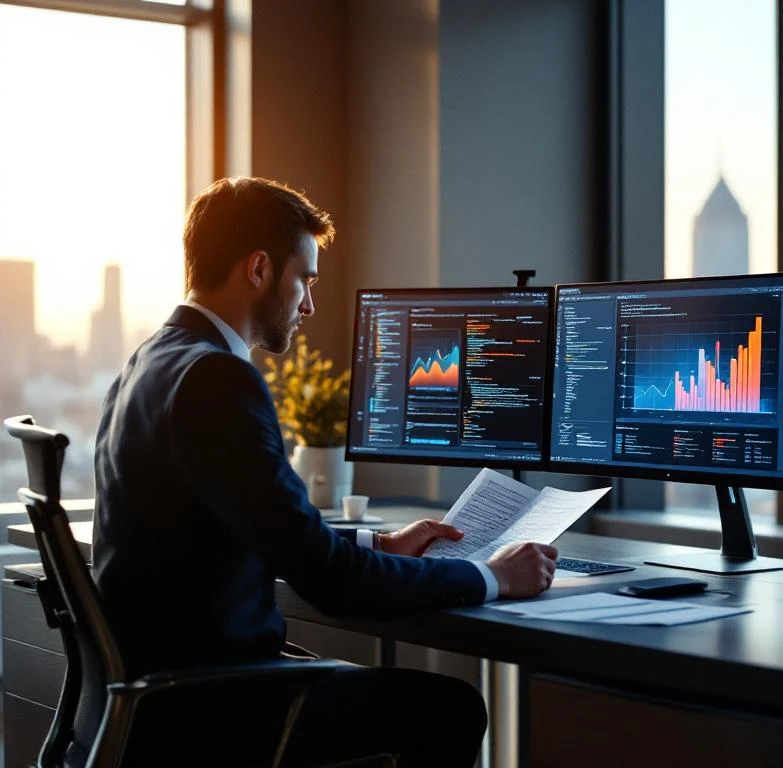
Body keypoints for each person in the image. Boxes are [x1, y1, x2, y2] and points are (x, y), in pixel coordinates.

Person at [92, 176, 559, 766]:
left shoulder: (150, 361)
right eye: (305, 278)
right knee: (449, 707)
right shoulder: (219, 380)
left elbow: (261, 528)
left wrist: (379, 542)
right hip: (216, 707)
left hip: (165, 691)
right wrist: (491, 577)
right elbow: (330, 581)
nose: (309, 303)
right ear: (259, 268)